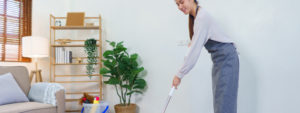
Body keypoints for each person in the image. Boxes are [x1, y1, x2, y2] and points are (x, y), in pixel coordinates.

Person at [172, 0, 240, 112]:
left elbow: (194, 52)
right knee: (220, 99)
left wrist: (179, 75)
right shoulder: (198, 16)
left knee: (225, 101)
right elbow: (194, 45)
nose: (180, 6)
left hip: (227, 59)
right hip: (220, 60)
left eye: (181, 2)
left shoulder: (201, 18)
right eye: (177, 4)